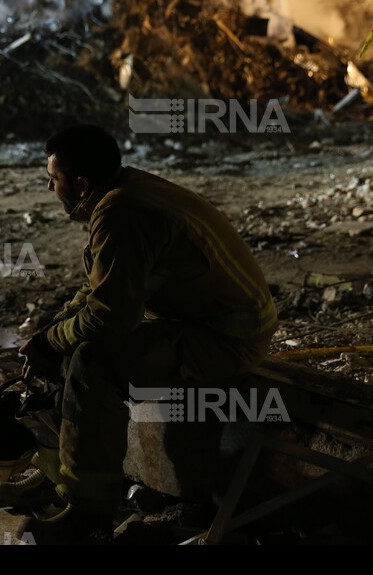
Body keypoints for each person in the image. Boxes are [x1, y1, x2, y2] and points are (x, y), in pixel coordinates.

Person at [17, 124, 278, 536]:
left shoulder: (122, 213)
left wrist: (52, 340)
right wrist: (53, 328)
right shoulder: (127, 191)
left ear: (81, 184)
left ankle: (88, 510)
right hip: (205, 320)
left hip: (229, 338)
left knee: (92, 361)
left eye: (54, 180)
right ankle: (66, 471)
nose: (51, 188)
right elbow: (105, 287)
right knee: (72, 345)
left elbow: (111, 316)